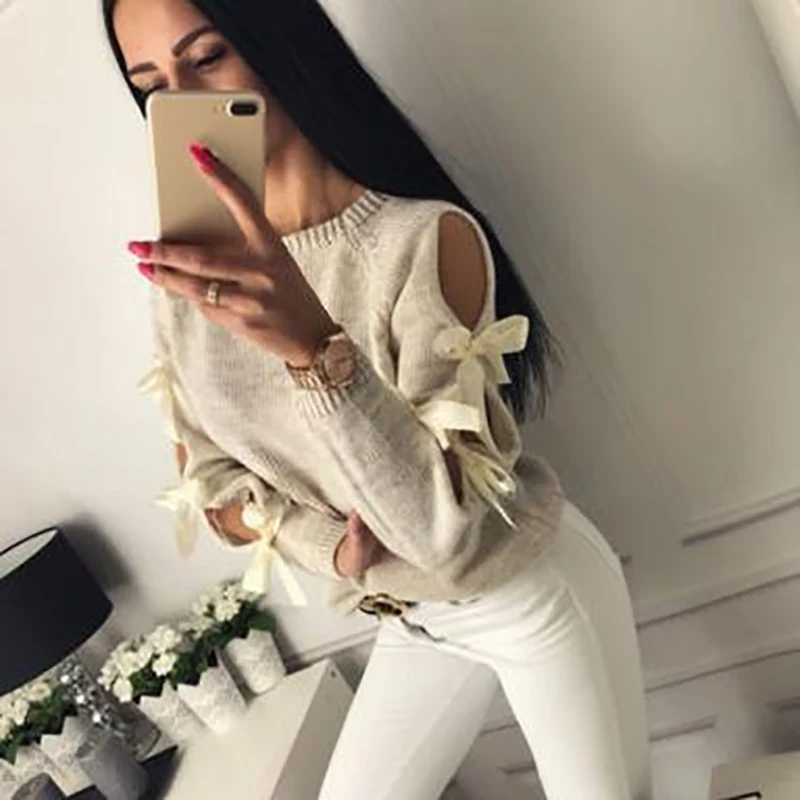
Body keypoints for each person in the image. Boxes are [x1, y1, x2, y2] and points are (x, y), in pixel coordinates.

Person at [103, 1, 653, 797]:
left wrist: (314, 352)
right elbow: (211, 487)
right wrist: (328, 546)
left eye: (209, 56)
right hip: (407, 616)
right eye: (152, 84)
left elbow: (437, 536)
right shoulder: (191, 277)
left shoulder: (421, 239)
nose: (184, 102)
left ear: (279, 44)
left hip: (522, 593)